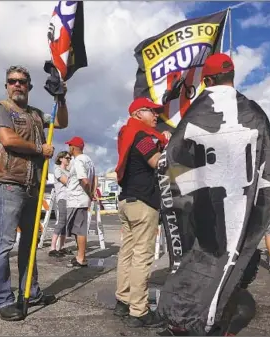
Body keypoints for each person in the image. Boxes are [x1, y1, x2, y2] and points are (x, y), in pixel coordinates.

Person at [156, 53, 270, 336]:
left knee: (199, 262)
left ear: (208, 80)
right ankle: (221, 324)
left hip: (205, 209)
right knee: (235, 267)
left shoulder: (198, 112)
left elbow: (170, 161)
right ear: (232, 75)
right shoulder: (256, 113)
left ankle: (189, 321)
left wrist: (178, 203)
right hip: (241, 211)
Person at [0, 65, 68, 321]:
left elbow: (61, 122)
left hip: (33, 186)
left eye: (22, 82)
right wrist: (39, 149)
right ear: (6, 85)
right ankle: (1, 299)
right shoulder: (1, 109)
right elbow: (8, 140)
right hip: (9, 184)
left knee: (30, 244)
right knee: (4, 244)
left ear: (29, 87)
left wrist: (61, 98)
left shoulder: (34, 114)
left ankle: (30, 291)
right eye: (12, 81)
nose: (17, 85)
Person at [113, 97, 171, 328]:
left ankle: (123, 300)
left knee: (127, 254)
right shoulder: (143, 136)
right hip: (143, 203)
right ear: (138, 113)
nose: (157, 115)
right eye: (152, 111)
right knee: (142, 257)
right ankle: (139, 311)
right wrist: (169, 151)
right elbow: (157, 162)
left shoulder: (127, 134)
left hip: (127, 201)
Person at [65, 136, 95, 267]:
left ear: (73, 147)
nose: (68, 149)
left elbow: (84, 180)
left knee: (79, 230)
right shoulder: (89, 160)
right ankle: (80, 256)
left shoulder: (78, 161)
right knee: (78, 229)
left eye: (69, 146)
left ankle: (81, 258)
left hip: (77, 199)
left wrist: (90, 194)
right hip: (81, 199)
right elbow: (93, 179)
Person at [49, 151, 72, 257]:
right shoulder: (57, 169)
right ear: (61, 158)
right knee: (61, 221)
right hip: (62, 198)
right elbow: (66, 181)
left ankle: (61, 246)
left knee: (65, 223)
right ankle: (52, 247)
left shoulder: (68, 170)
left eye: (70, 158)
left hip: (69, 199)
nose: (69, 160)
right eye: (67, 158)